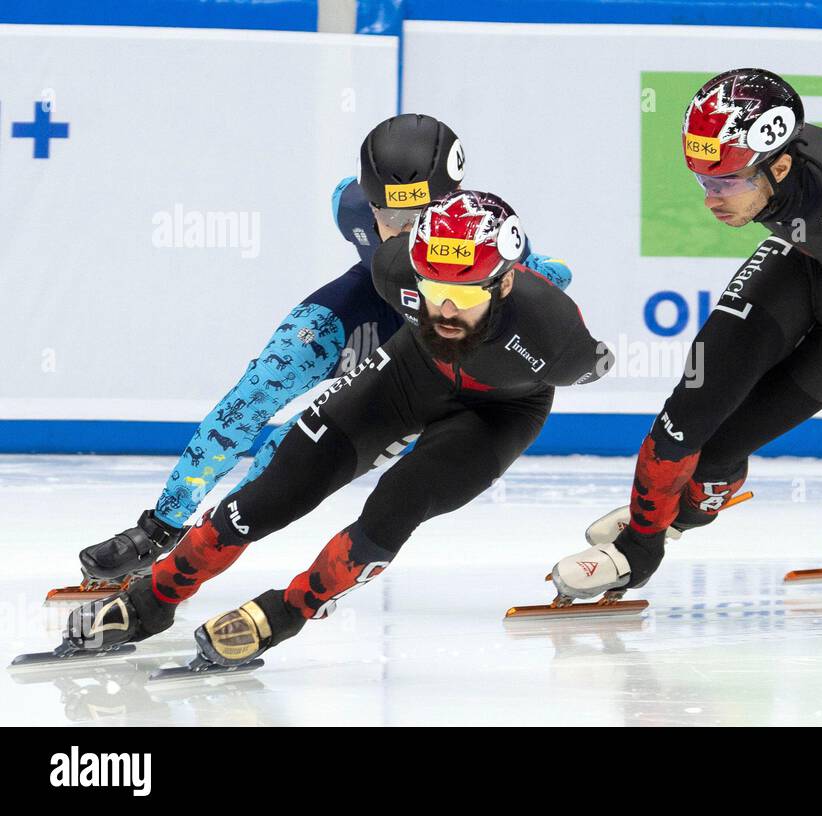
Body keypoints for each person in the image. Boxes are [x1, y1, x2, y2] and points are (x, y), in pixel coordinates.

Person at [42, 190, 612, 670]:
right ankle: (155, 596)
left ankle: (287, 611)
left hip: (497, 414)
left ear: (506, 284)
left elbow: (596, 364)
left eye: (462, 297)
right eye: (432, 290)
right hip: (409, 374)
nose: (442, 310)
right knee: (272, 489)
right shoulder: (396, 270)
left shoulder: (555, 339)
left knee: (397, 505)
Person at [546, 68, 822, 604]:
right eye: (703, 181)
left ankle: (688, 510)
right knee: (687, 413)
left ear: (780, 166)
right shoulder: (769, 153)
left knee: (719, 454)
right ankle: (639, 552)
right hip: (801, 265)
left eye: (727, 183)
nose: (712, 199)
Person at [69, 114, 572, 593]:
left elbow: (551, 275)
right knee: (254, 394)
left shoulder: (487, 237)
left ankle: (207, 542)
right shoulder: (348, 204)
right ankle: (160, 527)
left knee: (295, 447)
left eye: (419, 218)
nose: (399, 231)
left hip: (423, 340)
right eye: (388, 214)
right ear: (368, 201)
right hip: (369, 304)